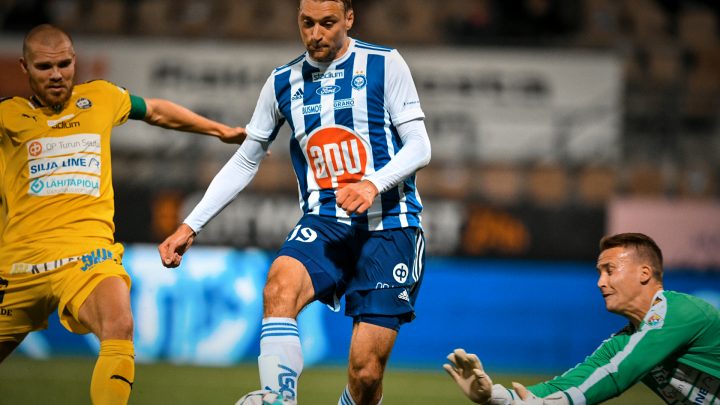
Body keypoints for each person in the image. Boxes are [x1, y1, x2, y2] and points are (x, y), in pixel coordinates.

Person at [158, 0, 431, 404]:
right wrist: (190, 225)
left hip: (390, 224)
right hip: (325, 221)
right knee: (279, 286)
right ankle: (279, 398)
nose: (316, 34)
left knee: (366, 374)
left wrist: (371, 185)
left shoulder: (384, 64)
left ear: (349, 19)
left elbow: (420, 147)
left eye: (327, 23)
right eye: (307, 23)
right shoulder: (282, 81)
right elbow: (246, 159)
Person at [0, 24, 246, 405]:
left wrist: (219, 131)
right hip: (17, 265)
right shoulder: (7, 116)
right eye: (45, 67)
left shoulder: (100, 97)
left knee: (120, 324)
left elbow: (157, 111)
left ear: (75, 62)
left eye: (64, 64)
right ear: (24, 67)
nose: (56, 75)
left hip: (88, 259)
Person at [444, 233, 720, 405]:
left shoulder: (679, 310)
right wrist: (494, 395)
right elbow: (563, 385)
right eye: (599, 273)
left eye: (609, 270)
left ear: (644, 273)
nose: (600, 283)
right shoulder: (625, 341)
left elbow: (619, 373)